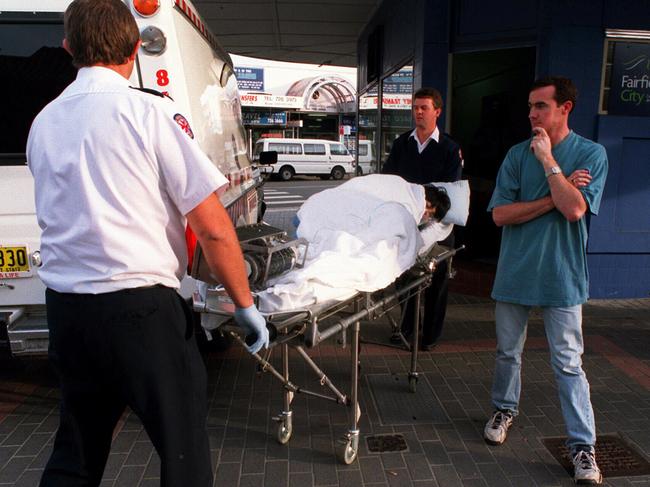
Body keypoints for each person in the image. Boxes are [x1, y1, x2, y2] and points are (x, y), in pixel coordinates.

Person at [26, 1, 268, 486]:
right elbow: (214, 225)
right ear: (136, 48)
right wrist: (244, 303)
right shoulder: (149, 114)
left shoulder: (44, 122)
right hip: (141, 312)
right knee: (183, 453)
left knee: (76, 451)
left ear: (69, 47)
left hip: (69, 313)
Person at [483, 76, 608, 485]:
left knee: (569, 365)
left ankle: (582, 447)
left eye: (541, 106)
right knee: (507, 353)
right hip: (515, 272)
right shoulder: (516, 155)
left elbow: (574, 211)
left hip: (562, 275)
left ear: (565, 108)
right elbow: (500, 215)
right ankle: (504, 409)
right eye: (531, 106)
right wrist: (558, 192)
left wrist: (550, 164)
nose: (532, 114)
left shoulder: (592, 153)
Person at [382, 87, 463, 351]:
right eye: (415, 107)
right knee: (403, 277)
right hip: (406, 223)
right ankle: (406, 328)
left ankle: (429, 337)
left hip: (439, 224)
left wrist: (427, 205)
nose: (417, 112)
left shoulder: (450, 148)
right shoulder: (401, 144)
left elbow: (450, 188)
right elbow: (388, 180)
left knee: (436, 284)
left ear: (437, 112)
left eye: (423, 108)